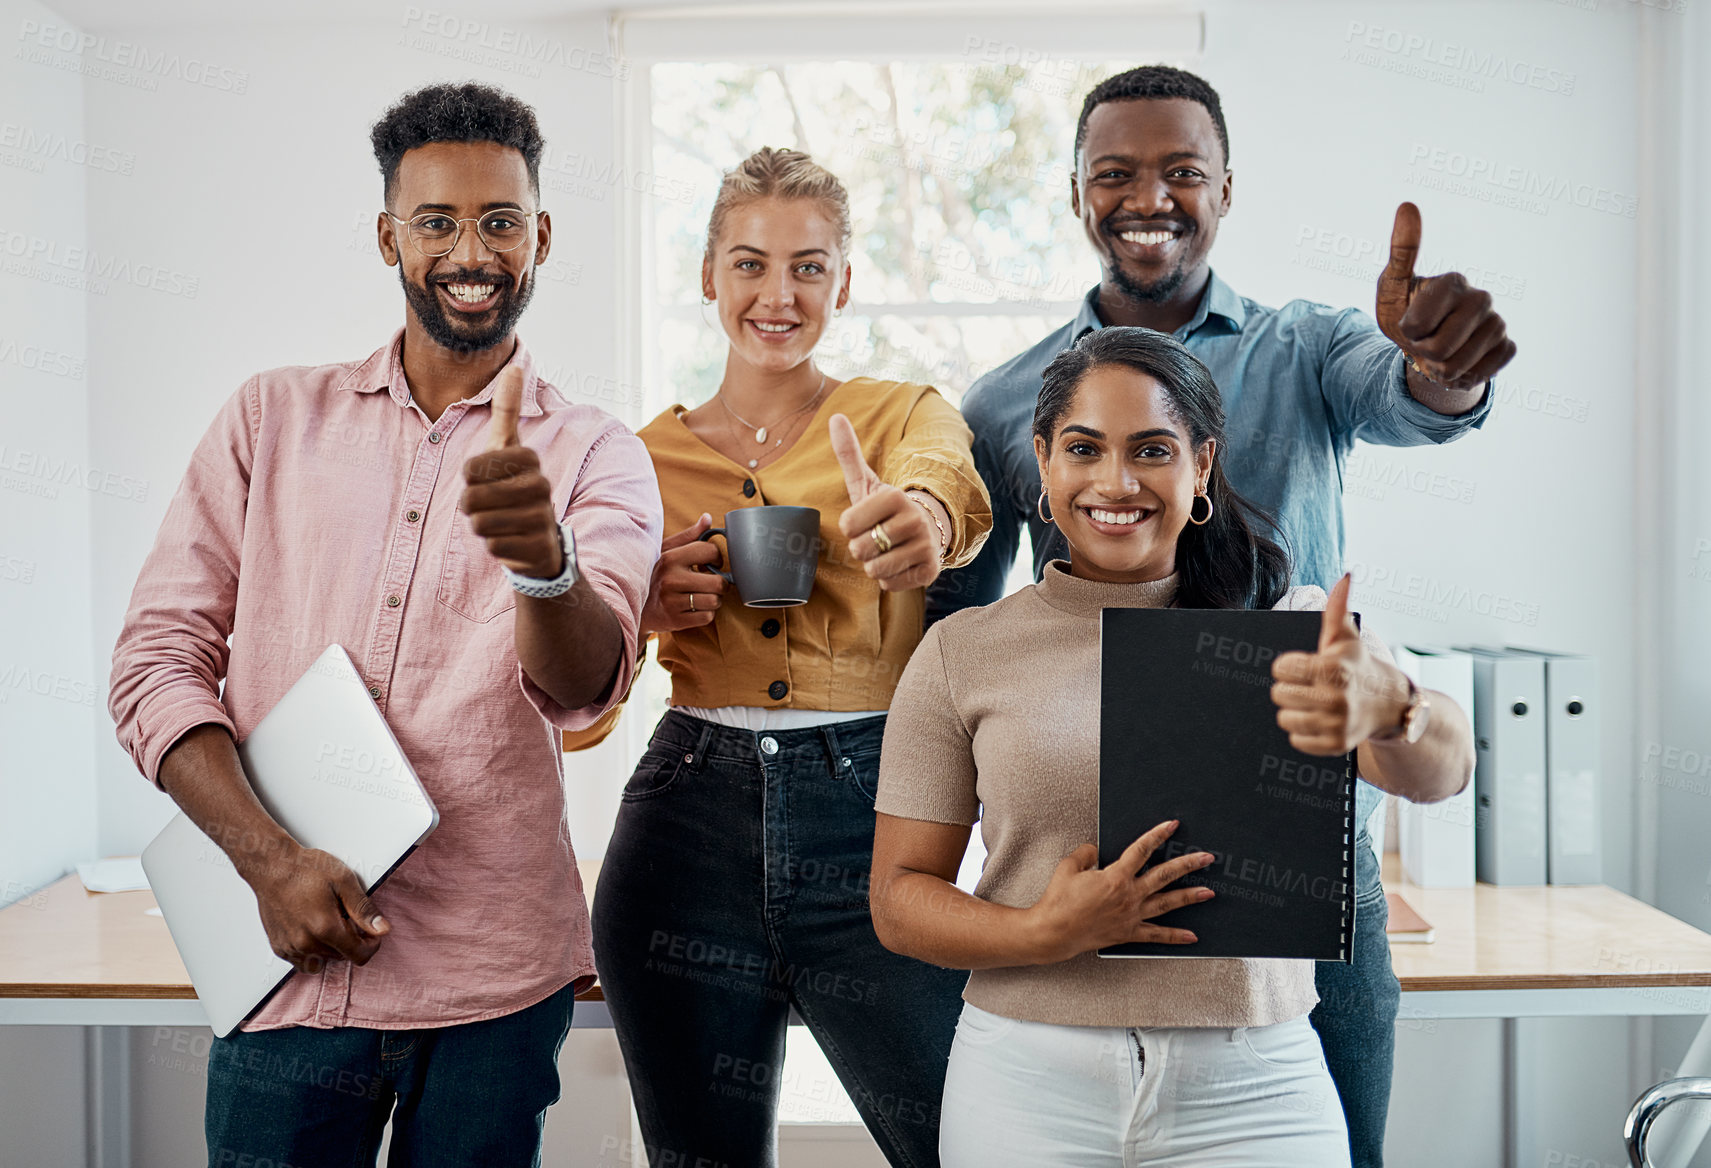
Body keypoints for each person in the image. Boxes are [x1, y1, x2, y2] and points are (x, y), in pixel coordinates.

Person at [927, 65, 1515, 1166]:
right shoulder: (1007, 403)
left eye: (1181, 172)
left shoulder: (1305, 346)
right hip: (1103, 868)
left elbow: (1411, 393)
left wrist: (1440, 368)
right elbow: (958, 632)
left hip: (1306, 867)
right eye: (1115, 174)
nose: (1147, 196)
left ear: (1227, 190)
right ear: (1074, 196)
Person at [107, 83, 662, 1168]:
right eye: (438, 221)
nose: (473, 250)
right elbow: (155, 663)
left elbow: (588, 685)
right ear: (387, 236)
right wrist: (267, 859)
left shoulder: (596, 451)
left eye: (501, 221)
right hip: (289, 964)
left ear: (540, 236)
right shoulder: (270, 418)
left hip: (493, 985)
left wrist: (544, 569)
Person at [875, 327, 1473, 1167]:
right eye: (1083, 448)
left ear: (1201, 467)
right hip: (1025, 1078)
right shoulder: (961, 650)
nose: (1114, 481)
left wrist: (1394, 707)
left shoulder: (1293, 628)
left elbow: (1445, 772)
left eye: (1151, 449)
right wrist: (1041, 932)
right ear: (1043, 464)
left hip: (1255, 1083)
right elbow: (899, 897)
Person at [585, 146, 991, 1168]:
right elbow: (581, 711)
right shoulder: (636, 458)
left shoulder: (899, 415)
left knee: (967, 1143)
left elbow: (949, 486)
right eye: (751, 264)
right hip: (682, 821)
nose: (779, 293)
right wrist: (635, 610)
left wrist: (922, 522)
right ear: (709, 275)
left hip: (874, 816)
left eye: (809, 266)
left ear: (843, 282)